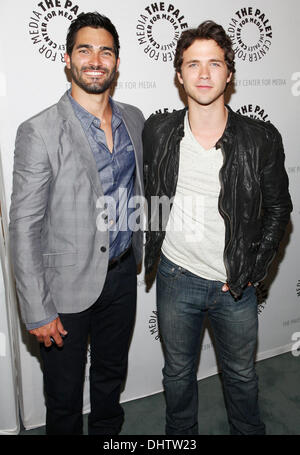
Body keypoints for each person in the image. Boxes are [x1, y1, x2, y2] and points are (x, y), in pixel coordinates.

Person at [143, 20, 292, 435]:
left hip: (235, 286)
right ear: (179, 75)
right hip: (176, 278)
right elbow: (151, 196)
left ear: (230, 73)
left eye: (215, 63)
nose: (204, 74)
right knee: (177, 375)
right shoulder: (158, 131)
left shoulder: (260, 138)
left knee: (242, 377)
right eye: (193, 64)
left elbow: (280, 209)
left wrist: (254, 270)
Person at [9, 12, 144, 435]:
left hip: (121, 275)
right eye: (85, 50)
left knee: (109, 379)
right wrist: (36, 309)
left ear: (117, 62)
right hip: (63, 289)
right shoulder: (40, 131)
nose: (95, 59)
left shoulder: (135, 120)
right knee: (64, 396)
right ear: (68, 59)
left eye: (106, 51)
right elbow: (23, 228)